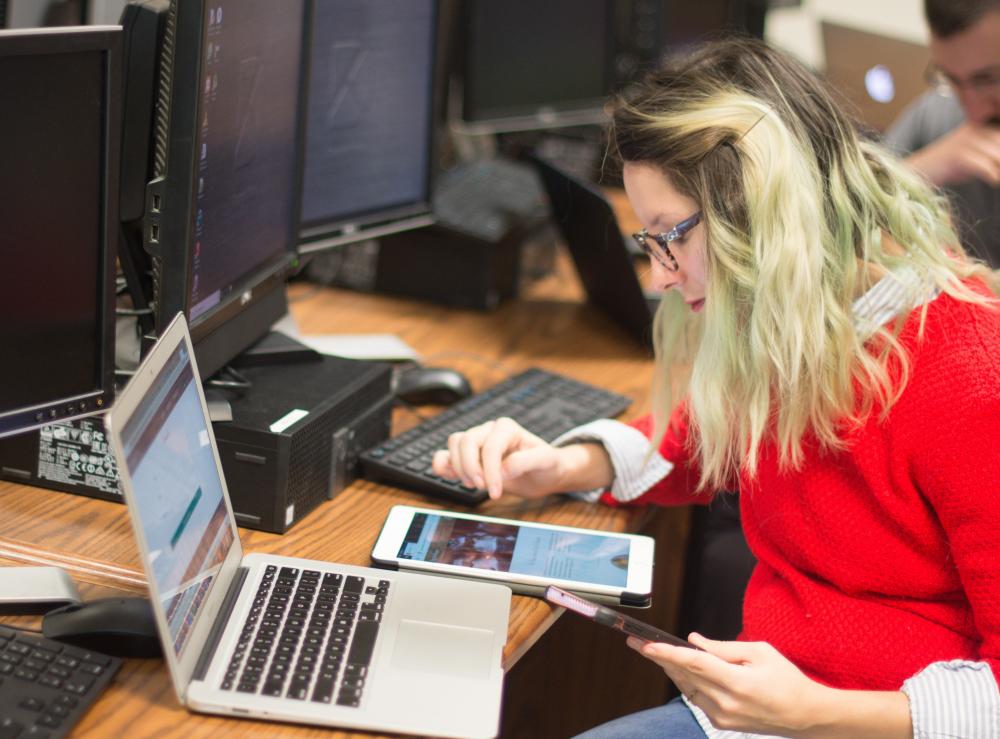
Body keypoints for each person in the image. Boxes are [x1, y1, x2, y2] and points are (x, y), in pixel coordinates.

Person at [432, 38, 1000, 738]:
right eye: (650, 241)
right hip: (768, 710)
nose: (660, 276)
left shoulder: (970, 375)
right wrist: (565, 463)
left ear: (769, 212)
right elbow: (709, 437)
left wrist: (815, 713)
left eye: (671, 236)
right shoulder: (798, 319)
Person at [884, 0, 1000, 267]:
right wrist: (923, 170)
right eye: (952, 79)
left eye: (988, 79)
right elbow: (853, 206)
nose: (973, 110)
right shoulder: (941, 109)